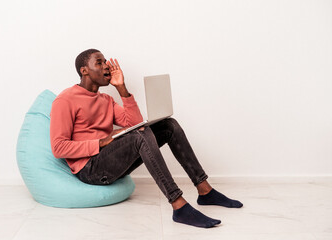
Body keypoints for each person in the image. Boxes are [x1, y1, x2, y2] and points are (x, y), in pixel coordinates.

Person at [50, 48, 243, 228]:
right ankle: (179, 205)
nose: (106, 66)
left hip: (109, 160)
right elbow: (58, 147)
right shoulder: (65, 100)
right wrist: (100, 142)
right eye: (99, 63)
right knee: (137, 137)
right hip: (89, 169)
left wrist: (122, 89)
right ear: (84, 70)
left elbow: (136, 124)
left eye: (106, 62)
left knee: (169, 125)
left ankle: (205, 191)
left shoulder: (106, 100)